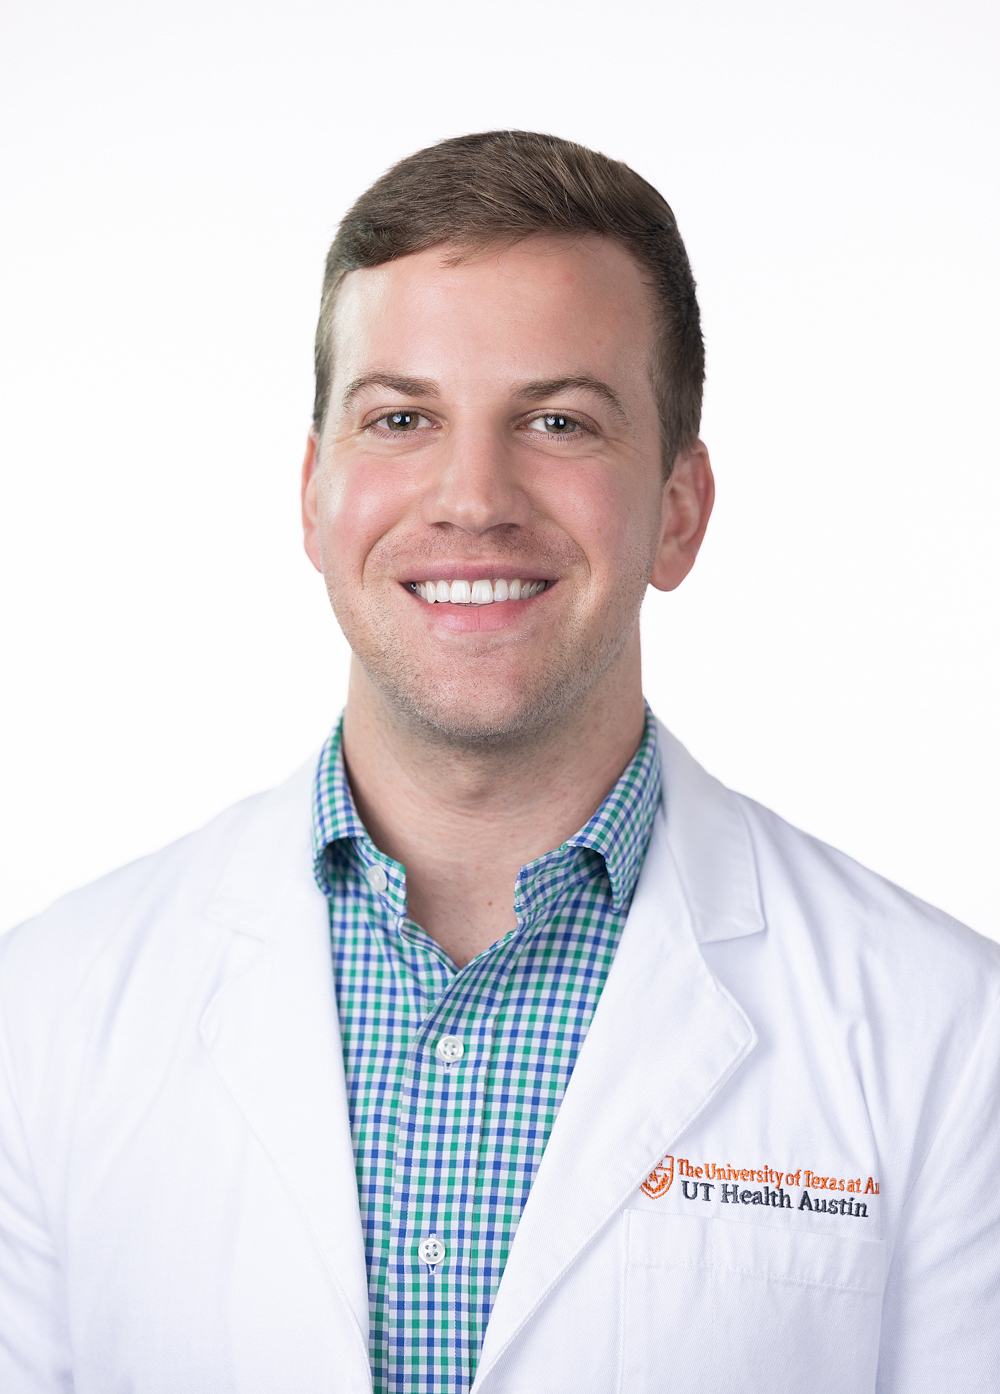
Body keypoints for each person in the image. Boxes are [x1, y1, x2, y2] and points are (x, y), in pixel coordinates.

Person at [0, 130, 997, 1394]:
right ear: (314, 495)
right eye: (402, 416)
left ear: (678, 510)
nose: (472, 495)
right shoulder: (42, 1014)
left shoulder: (951, 1037)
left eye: (559, 419)